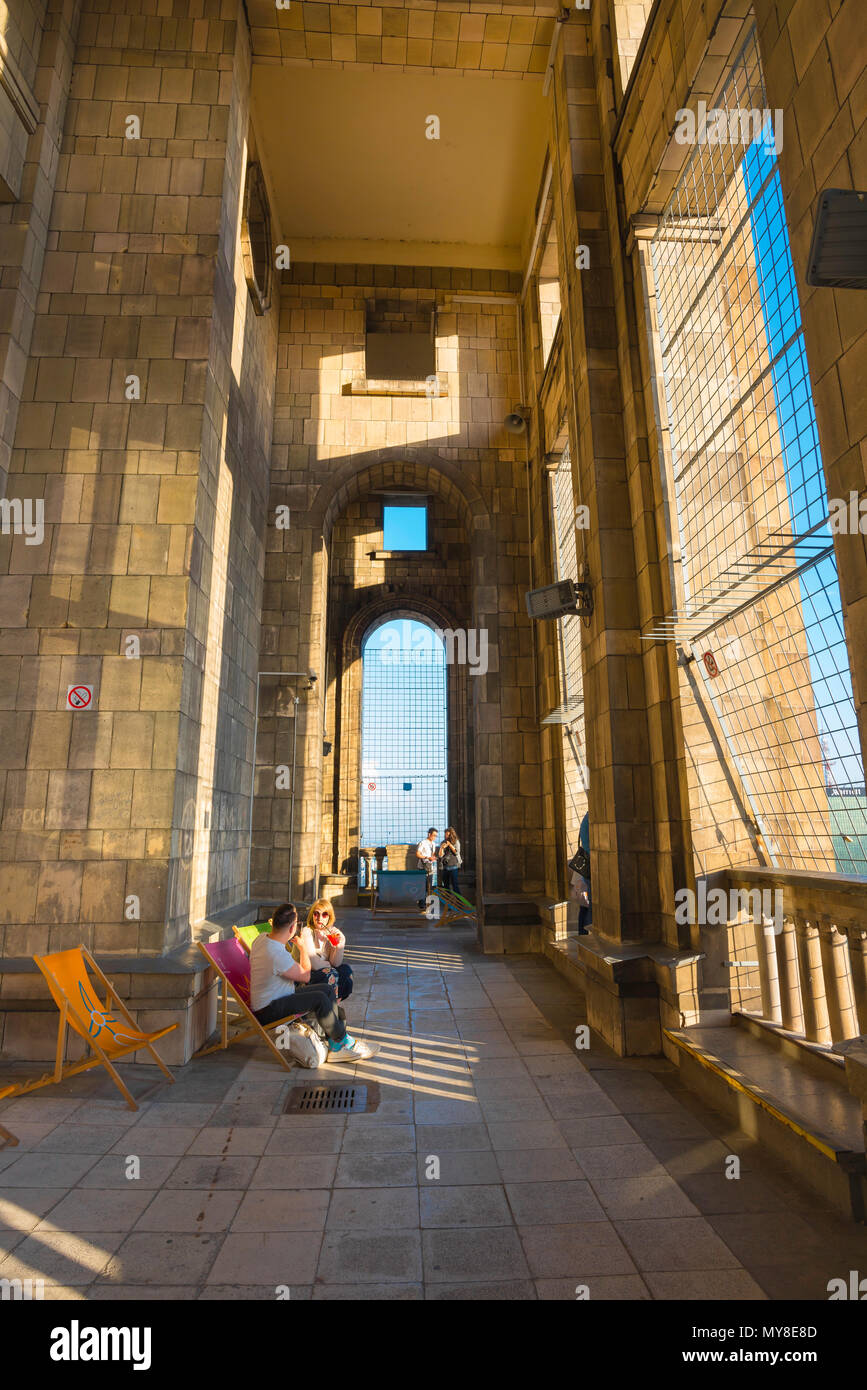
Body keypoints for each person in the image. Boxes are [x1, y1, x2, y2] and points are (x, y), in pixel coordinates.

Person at [249, 902, 377, 1062]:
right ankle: (342, 1041)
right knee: (320, 999)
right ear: (292, 928)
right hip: (269, 1010)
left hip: (277, 997)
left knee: (326, 990)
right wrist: (302, 948)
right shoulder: (276, 954)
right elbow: (306, 976)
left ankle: (335, 1044)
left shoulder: (261, 939)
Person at [300, 900, 353, 1018]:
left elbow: (336, 963)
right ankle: (333, 1012)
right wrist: (329, 964)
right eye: (316, 913)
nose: (319, 918)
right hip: (306, 975)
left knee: (346, 970)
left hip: (325, 974)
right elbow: (313, 963)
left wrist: (340, 945)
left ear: (329, 917)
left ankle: (334, 1005)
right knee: (333, 973)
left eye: (324, 914)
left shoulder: (331, 932)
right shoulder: (307, 932)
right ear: (312, 915)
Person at [568, 813, 592, 935]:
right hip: (588, 871)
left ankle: (582, 935)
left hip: (584, 871)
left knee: (584, 907)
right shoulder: (591, 818)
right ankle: (585, 936)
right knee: (588, 908)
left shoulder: (586, 818)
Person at [416, 827, 438, 908]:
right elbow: (417, 854)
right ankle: (421, 903)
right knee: (422, 885)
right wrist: (427, 857)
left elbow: (432, 854)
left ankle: (426, 902)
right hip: (422, 867)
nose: (435, 837)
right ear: (429, 834)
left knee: (429, 886)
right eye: (434, 835)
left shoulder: (433, 844)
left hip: (430, 867)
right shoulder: (423, 843)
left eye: (436, 836)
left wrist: (433, 858)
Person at [437, 827, 462, 894]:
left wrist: (450, 844)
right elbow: (440, 855)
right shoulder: (443, 842)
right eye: (445, 834)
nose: (446, 836)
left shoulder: (456, 842)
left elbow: (456, 852)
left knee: (455, 885)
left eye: (447, 835)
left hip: (453, 866)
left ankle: (458, 902)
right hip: (445, 867)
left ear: (451, 835)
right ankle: (448, 901)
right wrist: (441, 847)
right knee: (446, 886)